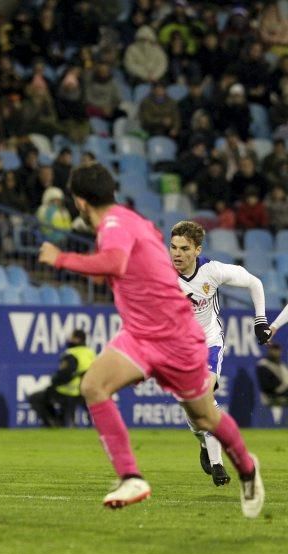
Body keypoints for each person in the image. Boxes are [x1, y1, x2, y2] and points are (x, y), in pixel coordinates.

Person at [38, 162, 264, 518]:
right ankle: (131, 476)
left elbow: (113, 261)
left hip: (178, 337)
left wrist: (61, 258)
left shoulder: (114, 226)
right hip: (141, 334)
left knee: (205, 417)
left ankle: (248, 470)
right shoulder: (127, 220)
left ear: (80, 202)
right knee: (94, 385)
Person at [169, 221, 270, 487]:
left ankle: (217, 463)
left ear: (197, 250)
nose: (177, 254)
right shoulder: (161, 275)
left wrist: (260, 320)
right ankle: (204, 443)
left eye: (184, 248)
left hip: (208, 343)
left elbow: (254, 282)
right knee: (191, 408)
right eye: (173, 247)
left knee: (204, 395)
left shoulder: (212, 271)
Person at [28, 329, 96, 428]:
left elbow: (65, 375)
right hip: (86, 392)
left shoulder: (71, 354)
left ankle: (53, 423)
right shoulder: (91, 353)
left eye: (71, 337)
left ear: (77, 339)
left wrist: (53, 382)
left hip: (68, 391)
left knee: (36, 398)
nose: (69, 339)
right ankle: (62, 421)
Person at [255, 343, 288, 407]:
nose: (276, 352)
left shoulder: (282, 366)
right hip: (271, 397)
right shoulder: (263, 364)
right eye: (273, 350)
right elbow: (266, 386)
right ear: (269, 351)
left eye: (277, 350)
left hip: (284, 395)